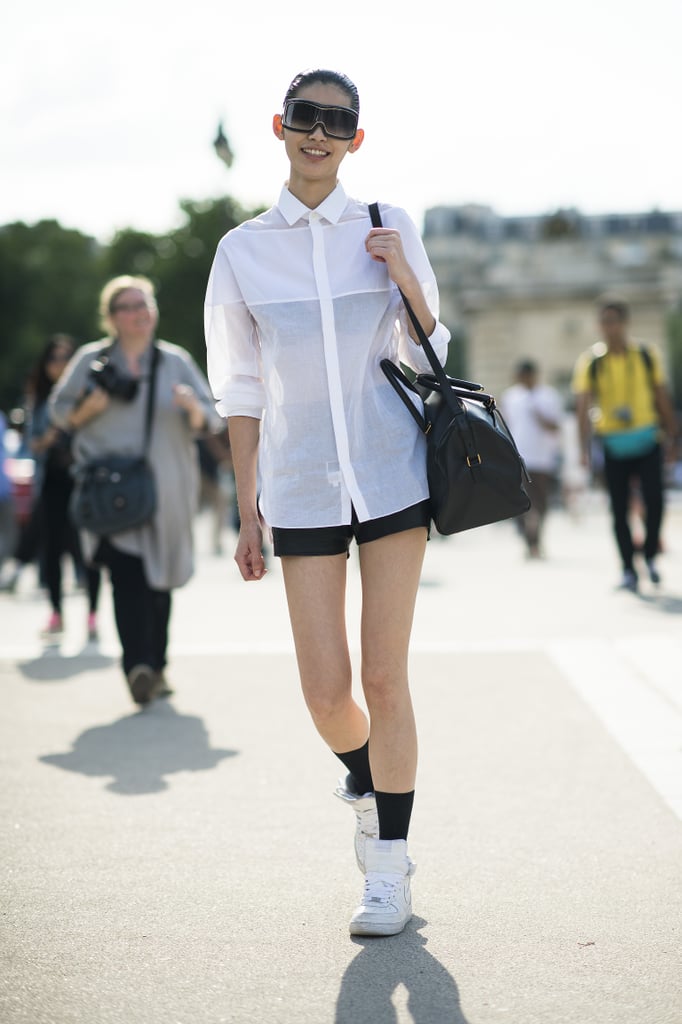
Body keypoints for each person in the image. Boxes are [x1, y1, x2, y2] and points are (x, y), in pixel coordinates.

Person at [205, 69, 451, 937]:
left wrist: (405, 284)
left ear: (357, 137)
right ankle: (366, 780)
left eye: (337, 121)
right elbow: (238, 387)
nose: (319, 132)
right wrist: (246, 508)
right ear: (280, 126)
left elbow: (435, 349)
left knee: (385, 677)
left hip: (392, 473)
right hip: (300, 483)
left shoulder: (387, 226)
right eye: (305, 117)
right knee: (325, 691)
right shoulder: (241, 251)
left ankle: (389, 867)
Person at [51, 275, 220, 704]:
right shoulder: (92, 359)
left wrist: (192, 410)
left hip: (166, 490)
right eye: (126, 305)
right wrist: (85, 410)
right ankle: (137, 666)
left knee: (160, 580)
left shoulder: (174, 361)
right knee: (126, 576)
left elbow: (212, 420)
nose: (138, 312)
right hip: (110, 491)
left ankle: (156, 666)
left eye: (143, 303)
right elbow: (58, 410)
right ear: (111, 317)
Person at [572, 298, 678, 591]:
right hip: (613, 443)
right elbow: (583, 407)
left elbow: (661, 395)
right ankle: (629, 568)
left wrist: (674, 436)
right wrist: (583, 449)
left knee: (655, 501)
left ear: (624, 323)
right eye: (604, 322)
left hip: (647, 439)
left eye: (614, 321)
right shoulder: (591, 362)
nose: (609, 328)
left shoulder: (645, 355)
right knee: (619, 510)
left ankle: (652, 556)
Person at [23, 335, 102, 638]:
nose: (59, 365)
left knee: (90, 549)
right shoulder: (40, 399)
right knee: (52, 549)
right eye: (53, 359)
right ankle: (56, 613)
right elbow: (33, 445)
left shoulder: (87, 391)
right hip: (52, 481)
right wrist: (52, 434)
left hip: (84, 479)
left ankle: (93, 614)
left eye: (65, 358)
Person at [500, 359, 563, 558]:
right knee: (521, 501)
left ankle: (537, 539)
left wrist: (541, 418)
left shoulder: (548, 396)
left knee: (541, 502)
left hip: (542, 458)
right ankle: (528, 539)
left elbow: (556, 426)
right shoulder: (511, 397)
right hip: (518, 457)